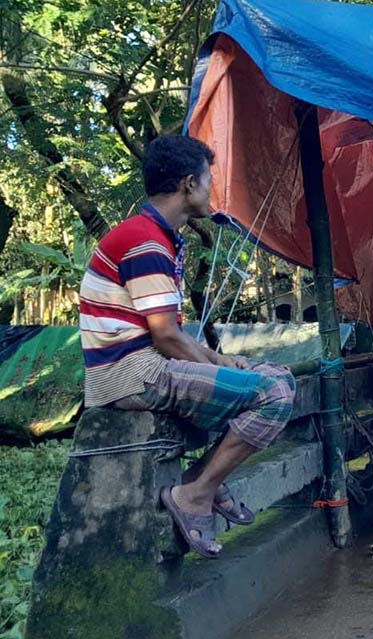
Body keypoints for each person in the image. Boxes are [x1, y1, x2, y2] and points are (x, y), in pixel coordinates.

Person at [79, 135, 296, 559]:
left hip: (144, 365)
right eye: (207, 178)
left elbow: (170, 335)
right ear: (187, 185)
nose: (211, 188)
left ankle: (202, 482)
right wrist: (222, 368)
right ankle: (195, 493)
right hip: (131, 374)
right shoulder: (144, 241)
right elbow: (165, 335)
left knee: (277, 375)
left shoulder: (155, 235)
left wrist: (222, 361)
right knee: (275, 394)